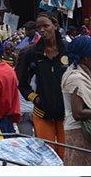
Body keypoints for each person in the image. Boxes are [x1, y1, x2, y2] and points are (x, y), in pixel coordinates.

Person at [17, 13, 67, 155]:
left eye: (46, 26)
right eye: (39, 28)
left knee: (67, 155)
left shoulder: (68, 49)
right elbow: (22, 84)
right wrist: (35, 98)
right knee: (48, 156)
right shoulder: (30, 53)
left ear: (55, 25)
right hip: (42, 112)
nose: (42, 30)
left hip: (67, 114)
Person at [61, 35, 91, 166]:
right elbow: (78, 113)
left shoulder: (82, 73)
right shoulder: (76, 78)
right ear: (86, 58)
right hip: (79, 133)